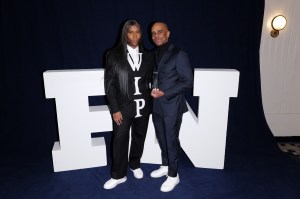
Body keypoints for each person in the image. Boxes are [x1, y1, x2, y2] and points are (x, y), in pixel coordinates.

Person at [103, 20, 153, 189]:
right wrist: (114, 109)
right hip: (123, 108)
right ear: (125, 34)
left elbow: (154, 77)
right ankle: (118, 175)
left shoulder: (149, 55)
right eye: (130, 32)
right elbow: (110, 85)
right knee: (120, 140)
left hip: (143, 106)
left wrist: (156, 89)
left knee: (140, 137)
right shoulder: (113, 54)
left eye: (137, 32)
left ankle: (135, 164)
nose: (134, 36)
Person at [150, 22, 193, 192]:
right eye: (153, 33)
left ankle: (173, 175)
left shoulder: (179, 54)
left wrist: (165, 93)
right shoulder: (152, 53)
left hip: (172, 106)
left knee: (171, 139)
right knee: (161, 138)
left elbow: (188, 82)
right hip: (156, 105)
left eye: (160, 32)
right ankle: (165, 165)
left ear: (168, 33)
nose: (156, 36)